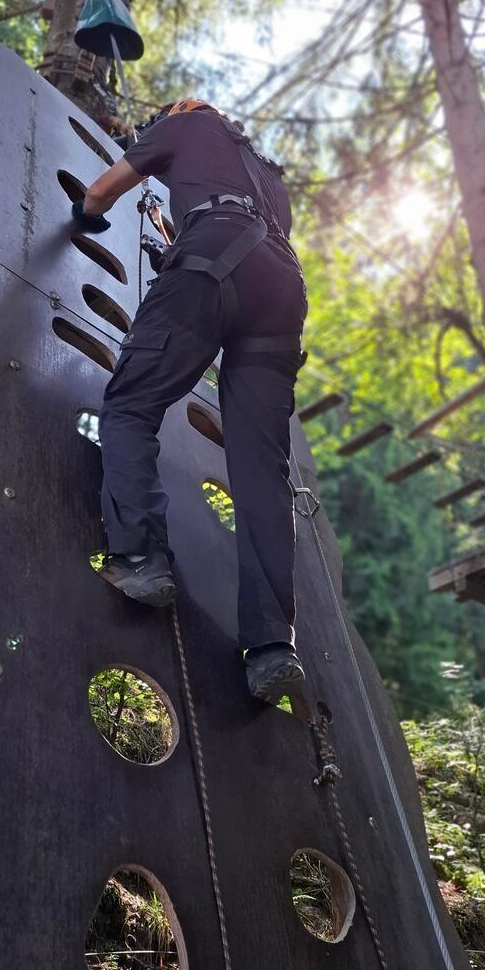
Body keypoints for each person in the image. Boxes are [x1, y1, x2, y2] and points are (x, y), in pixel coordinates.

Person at [70, 99, 308, 703]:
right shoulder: (267, 172)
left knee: (130, 404)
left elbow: (102, 192)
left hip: (210, 262)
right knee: (262, 473)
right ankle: (273, 646)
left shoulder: (183, 124)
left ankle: (142, 558)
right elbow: (239, 225)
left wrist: (87, 216)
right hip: (281, 289)